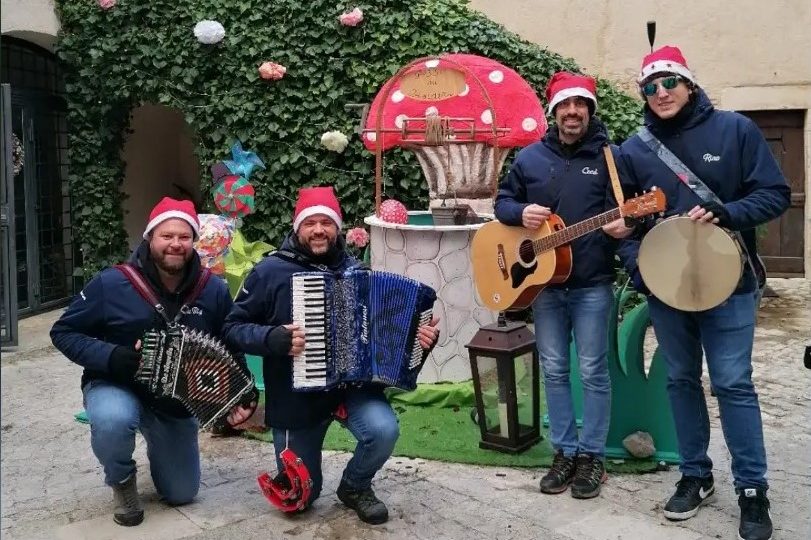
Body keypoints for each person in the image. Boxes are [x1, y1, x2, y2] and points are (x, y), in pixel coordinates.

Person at [617, 46, 790, 540]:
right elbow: (626, 225)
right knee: (680, 380)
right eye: (650, 86)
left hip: (729, 283)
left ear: (689, 83)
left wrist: (728, 213)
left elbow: (775, 193)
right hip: (667, 289)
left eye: (669, 81)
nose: (661, 92)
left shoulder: (735, 130)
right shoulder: (633, 150)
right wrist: (641, 270)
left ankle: (752, 491)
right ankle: (695, 475)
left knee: (734, 383)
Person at [222, 186, 440, 525]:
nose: (319, 230)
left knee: (383, 431)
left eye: (327, 222)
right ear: (297, 228)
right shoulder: (270, 272)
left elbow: (388, 336)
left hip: (352, 390)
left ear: (337, 228)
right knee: (299, 498)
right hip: (297, 398)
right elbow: (233, 327)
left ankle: (354, 486)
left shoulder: (358, 271)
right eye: (311, 223)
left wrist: (418, 340)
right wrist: (273, 338)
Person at [51, 197, 257, 527]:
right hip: (116, 384)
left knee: (182, 493)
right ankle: (121, 479)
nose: (175, 244)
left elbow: (229, 342)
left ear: (194, 241)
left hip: (174, 403)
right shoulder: (112, 283)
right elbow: (63, 331)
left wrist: (242, 390)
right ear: (150, 237)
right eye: (166, 236)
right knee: (113, 420)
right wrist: (112, 356)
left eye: (184, 237)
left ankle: (160, 446)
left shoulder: (212, 290)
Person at [494, 72, 631, 499]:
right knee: (553, 369)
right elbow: (502, 202)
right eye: (565, 106)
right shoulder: (530, 157)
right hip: (544, 287)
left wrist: (625, 225)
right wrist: (520, 214)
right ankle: (565, 453)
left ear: (590, 110)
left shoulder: (611, 157)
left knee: (591, 371)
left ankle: (592, 457)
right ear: (553, 112)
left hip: (592, 283)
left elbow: (625, 210)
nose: (573, 113)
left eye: (581, 105)